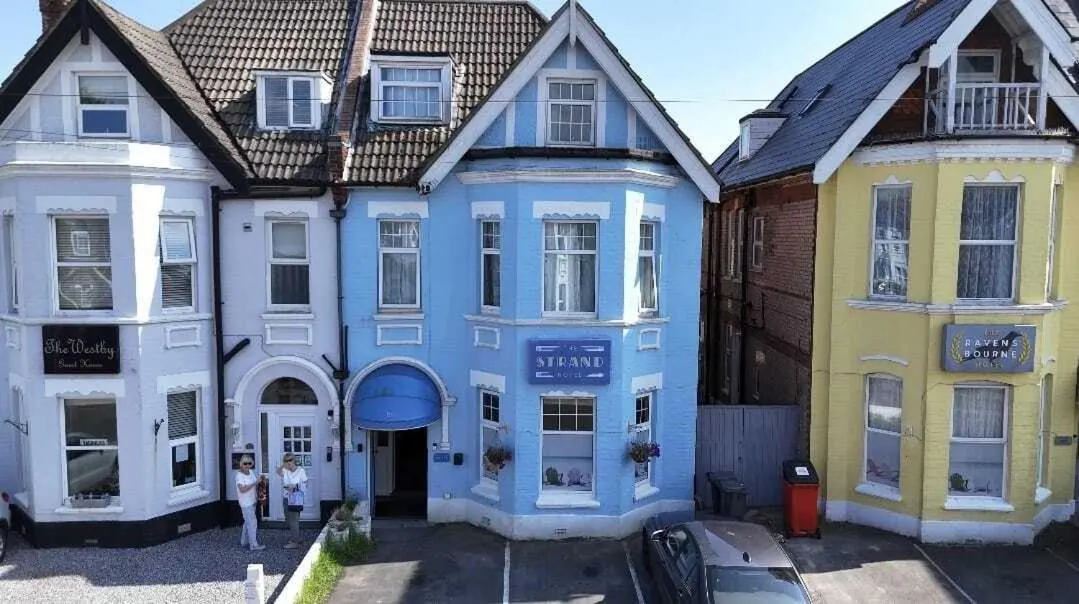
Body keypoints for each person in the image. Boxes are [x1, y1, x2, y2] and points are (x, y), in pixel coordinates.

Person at [278, 453, 308, 549]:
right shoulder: (285, 470)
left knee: (294, 520)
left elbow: (305, 483)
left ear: (294, 460)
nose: (289, 462)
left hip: (296, 499)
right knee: (289, 519)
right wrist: (283, 465)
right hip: (286, 497)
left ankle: (295, 542)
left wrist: (295, 486)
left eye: (290, 460)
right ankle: (297, 538)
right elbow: (278, 472)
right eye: (286, 460)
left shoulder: (300, 471)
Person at [235, 455, 264, 551]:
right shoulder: (239, 476)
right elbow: (242, 489)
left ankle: (244, 541)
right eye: (245, 463)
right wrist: (254, 483)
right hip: (245, 502)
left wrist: (256, 497)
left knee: (248, 521)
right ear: (241, 464)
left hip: (252, 501)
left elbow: (255, 485)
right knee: (252, 523)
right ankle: (253, 545)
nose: (247, 465)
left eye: (249, 463)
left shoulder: (251, 472)